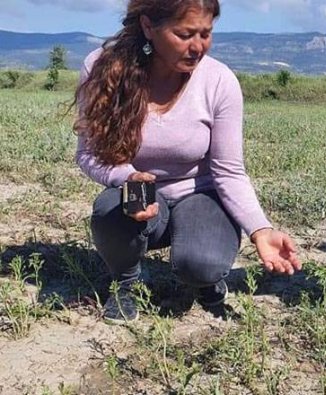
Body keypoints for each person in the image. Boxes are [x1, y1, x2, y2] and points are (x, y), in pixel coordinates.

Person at [73, 0, 301, 323]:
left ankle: (206, 278)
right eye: (185, 34)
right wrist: (127, 178)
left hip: (200, 196)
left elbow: (229, 171)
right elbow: (88, 153)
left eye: (206, 34)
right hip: (141, 193)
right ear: (149, 27)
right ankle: (127, 282)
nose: (198, 47)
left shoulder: (219, 82)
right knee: (110, 211)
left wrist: (260, 230)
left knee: (202, 262)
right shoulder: (101, 69)